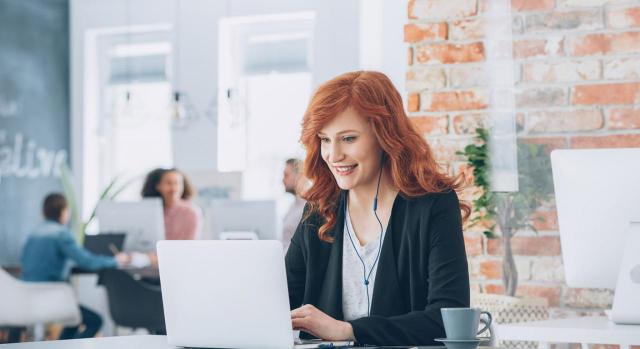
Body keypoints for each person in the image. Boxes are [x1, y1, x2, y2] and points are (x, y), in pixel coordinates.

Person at [286, 71, 471, 346]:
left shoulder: (433, 205)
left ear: (385, 136)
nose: (333, 155)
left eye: (348, 138)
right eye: (325, 139)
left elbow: (447, 317)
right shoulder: (319, 210)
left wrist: (349, 330)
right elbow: (279, 301)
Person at [20, 193, 131, 340]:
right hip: (52, 296)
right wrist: (116, 261)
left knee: (73, 322)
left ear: (44, 212)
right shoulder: (61, 234)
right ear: (64, 212)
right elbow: (88, 262)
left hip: (27, 296)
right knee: (95, 321)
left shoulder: (32, 234)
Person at [141, 168, 202, 240]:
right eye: (168, 183)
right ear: (158, 186)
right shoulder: (150, 211)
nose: (174, 188)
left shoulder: (191, 212)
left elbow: (189, 243)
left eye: (177, 183)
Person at [281, 158, 306, 252]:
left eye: (286, 175)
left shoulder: (307, 208)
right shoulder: (293, 205)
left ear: (299, 176)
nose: (283, 180)